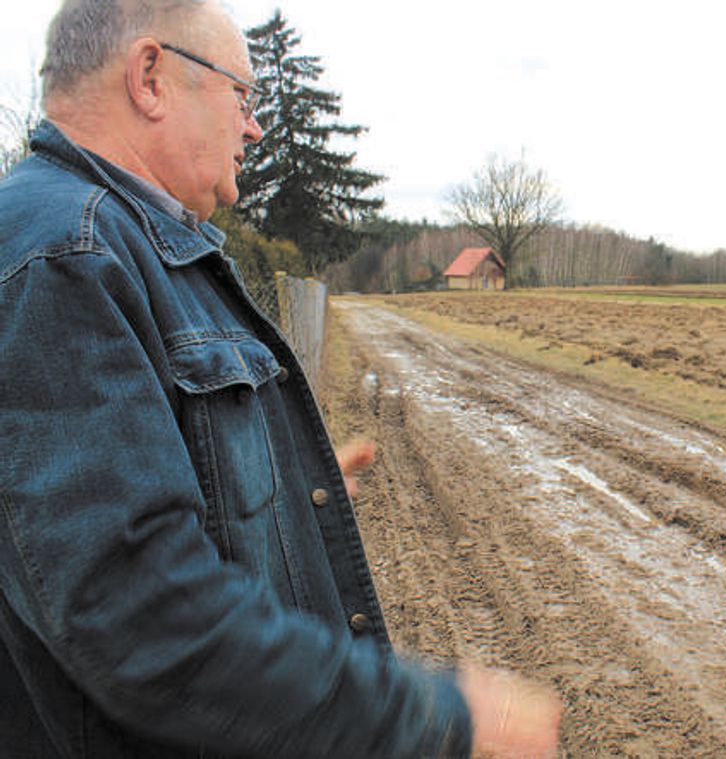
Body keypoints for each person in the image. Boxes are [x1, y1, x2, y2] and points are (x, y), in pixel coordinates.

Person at [0, 1, 559, 757]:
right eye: (243, 95)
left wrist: (272, 498)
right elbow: (138, 615)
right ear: (150, 77)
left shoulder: (135, 242)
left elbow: (124, 505)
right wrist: (437, 716)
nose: (255, 128)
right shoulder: (67, 257)